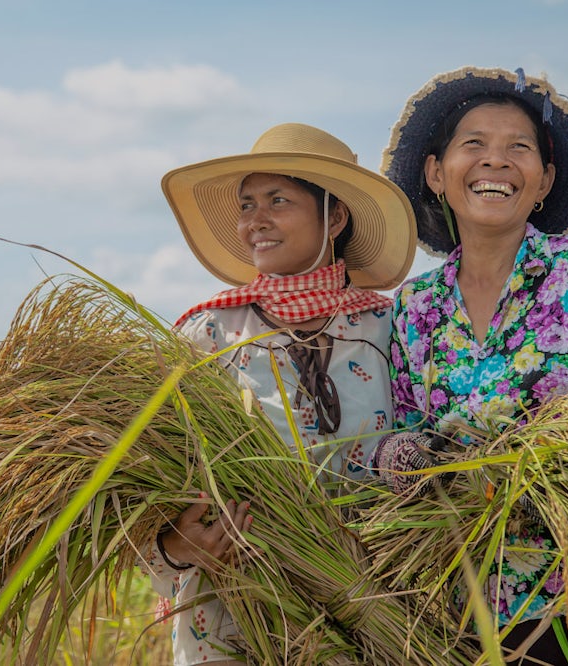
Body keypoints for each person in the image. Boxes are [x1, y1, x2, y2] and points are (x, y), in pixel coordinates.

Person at [374, 66, 568, 664]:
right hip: (463, 610)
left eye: (518, 148)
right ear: (436, 173)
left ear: (543, 180)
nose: (495, 162)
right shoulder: (415, 305)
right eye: (473, 145)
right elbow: (407, 436)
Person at [140, 123, 417, 665]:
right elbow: (144, 482)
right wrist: (174, 549)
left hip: (369, 617)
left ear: (334, 216)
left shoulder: (393, 331)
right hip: (231, 620)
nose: (254, 221)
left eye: (278, 200)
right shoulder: (207, 338)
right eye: (247, 205)